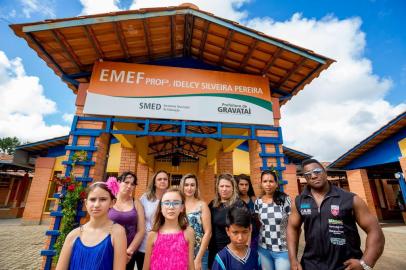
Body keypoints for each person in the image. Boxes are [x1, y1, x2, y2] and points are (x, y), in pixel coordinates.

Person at [287, 159, 385, 270]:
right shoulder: (299, 201)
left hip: (346, 265)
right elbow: (292, 228)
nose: (313, 176)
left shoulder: (350, 199)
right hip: (311, 265)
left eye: (317, 171)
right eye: (308, 174)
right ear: (305, 178)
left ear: (325, 172)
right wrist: (293, 259)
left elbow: (374, 230)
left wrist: (366, 262)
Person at [56, 182, 127, 270]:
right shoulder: (73, 235)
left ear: (112, 202)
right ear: (86, 203)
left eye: (103, 199)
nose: (96, 205)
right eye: (92, 199)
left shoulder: (117, 232)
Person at [143, 187, 195, 270]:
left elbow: (191, 265)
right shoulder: (153, 234)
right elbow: (146, 267)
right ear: (161, 207)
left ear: (182, 207)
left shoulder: (188, 232)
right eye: (167, 203)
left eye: (176, 203)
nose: (171, 207)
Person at [108, 172, 145, 270]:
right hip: (108, 249)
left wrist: (129, 251)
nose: (129, 186)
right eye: (126, 182)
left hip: (129, 253)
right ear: (119, 182)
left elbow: (141, 230)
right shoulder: (109, 201)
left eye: (132, 184)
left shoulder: (136, 203)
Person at [254, 170, 291, 270]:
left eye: (271, 181)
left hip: (283, 250)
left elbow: (293, 226)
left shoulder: (285, 200)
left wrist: (293, 248)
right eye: (265, 181)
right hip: (263, 249)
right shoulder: (258, 202)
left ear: (276, 183)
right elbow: (259, 224)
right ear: (261, 183)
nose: (268, 184)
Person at [208, 173, 246, 268]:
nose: (224, 189)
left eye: (227, 186)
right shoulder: (212, 205)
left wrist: (245, 251)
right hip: (214, 251)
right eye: (221, 186)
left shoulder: (239, 204)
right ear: (217, 188)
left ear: (233, 188)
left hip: (233, 251)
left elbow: (248, 229)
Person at [136, 170, 169, 269]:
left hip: (165, 246)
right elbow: (138, 220)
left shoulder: (171, 198)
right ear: (154, 182)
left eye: (165, 179)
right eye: (159, 179)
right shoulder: (145, 198)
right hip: (144, 246)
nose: (162, 181)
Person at [180, 174, 212, 270]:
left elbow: (208, 232)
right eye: (186, 185)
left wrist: (198, 258)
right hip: (180, 251)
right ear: (182, 186)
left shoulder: (202, 205)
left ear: (196, 187)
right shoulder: (178, 205)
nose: (189, 188)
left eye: (192, 185)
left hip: (199, 251)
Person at [236, 174, 259, 252]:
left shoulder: (254, 199)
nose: (244, 187)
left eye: (246, 184)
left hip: (255, 236)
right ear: (237, 185)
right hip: (240, 236)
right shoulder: (234, 201)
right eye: (241, 184)